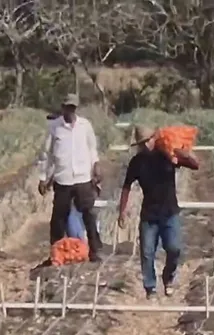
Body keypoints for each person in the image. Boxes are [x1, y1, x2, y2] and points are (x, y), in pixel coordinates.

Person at [117, 125, 200, 299]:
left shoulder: (167, 155)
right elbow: (126, 187)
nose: (146, 145)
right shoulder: (137, 162)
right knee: (147, 252)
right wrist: (122, 212)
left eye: (148, 141)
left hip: (170, 212)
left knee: (174, 249)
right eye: (143, 143)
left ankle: (168, 278)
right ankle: (150, 288)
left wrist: (186, 153)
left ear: (155, 139)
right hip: (149, 214)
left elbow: (195, 165)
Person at [37, 94, 103, 261]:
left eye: (73, 107)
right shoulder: (55, 127)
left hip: (83, 177)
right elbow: (46, 154)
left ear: (76, 108)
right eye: (68, 107)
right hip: (63, 178)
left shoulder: (85, 126)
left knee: (88, 214)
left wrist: (96, 166)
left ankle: (95, 251)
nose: (70, 110)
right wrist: (43, 177)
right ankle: (56, 253)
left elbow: (92, 148)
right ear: (63, 107)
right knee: (59, 218)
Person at [44, 112, 88, 242]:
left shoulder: (66, 136)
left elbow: (58, 162)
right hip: (71, 181)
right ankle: (76, 242)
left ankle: (78, 242)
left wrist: (47, 181)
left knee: (69, 213)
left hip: (73, 182)